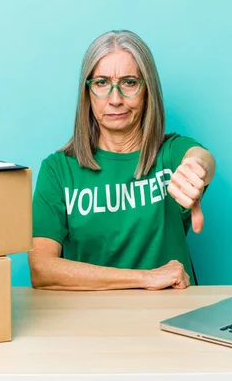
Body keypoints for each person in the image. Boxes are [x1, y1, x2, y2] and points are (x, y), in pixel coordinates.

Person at [28, 30, 216, 291]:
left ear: (147, 90)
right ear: (87, 92)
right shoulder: (58, 170)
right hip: (93, 320)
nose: (115, 100)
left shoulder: (169, 154)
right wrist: (145, 278)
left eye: (129, 83)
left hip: (173, 315)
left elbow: (200, 157)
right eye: (102, 83)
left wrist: (197, 168)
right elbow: (41, 269)